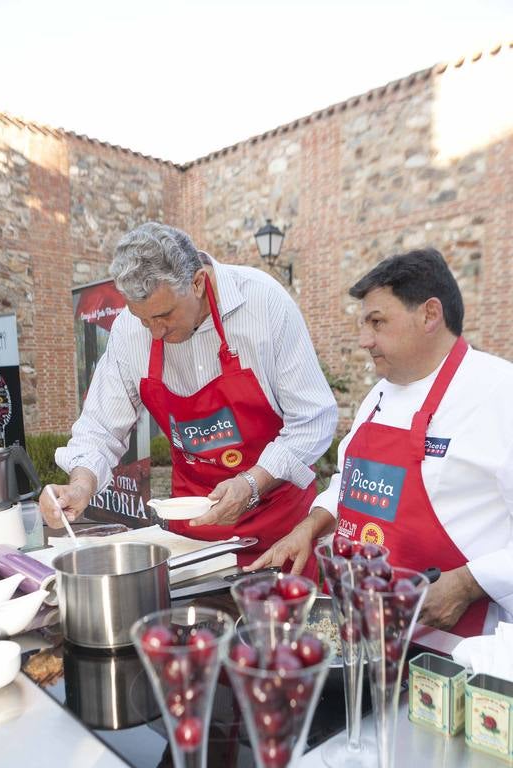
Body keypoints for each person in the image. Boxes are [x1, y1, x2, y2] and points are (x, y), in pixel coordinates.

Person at [247, 248, 513, 636]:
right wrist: (310, 526)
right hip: (360, 629)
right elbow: (349, 482)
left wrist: (468, 584)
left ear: (430, 314)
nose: (363, 341)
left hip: (453, 650)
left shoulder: (499, 393)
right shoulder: (378, 397)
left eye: (376, 322)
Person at [40, 222, 338, 562]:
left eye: (164, 315)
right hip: (193, 537)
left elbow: (312, 420)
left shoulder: (263, 303)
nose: (155, 331)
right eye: (143, 319)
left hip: (280, 532)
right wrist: (81, 484)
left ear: (197, 283)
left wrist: (252, 483)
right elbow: (100, 428)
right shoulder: (129, 331)